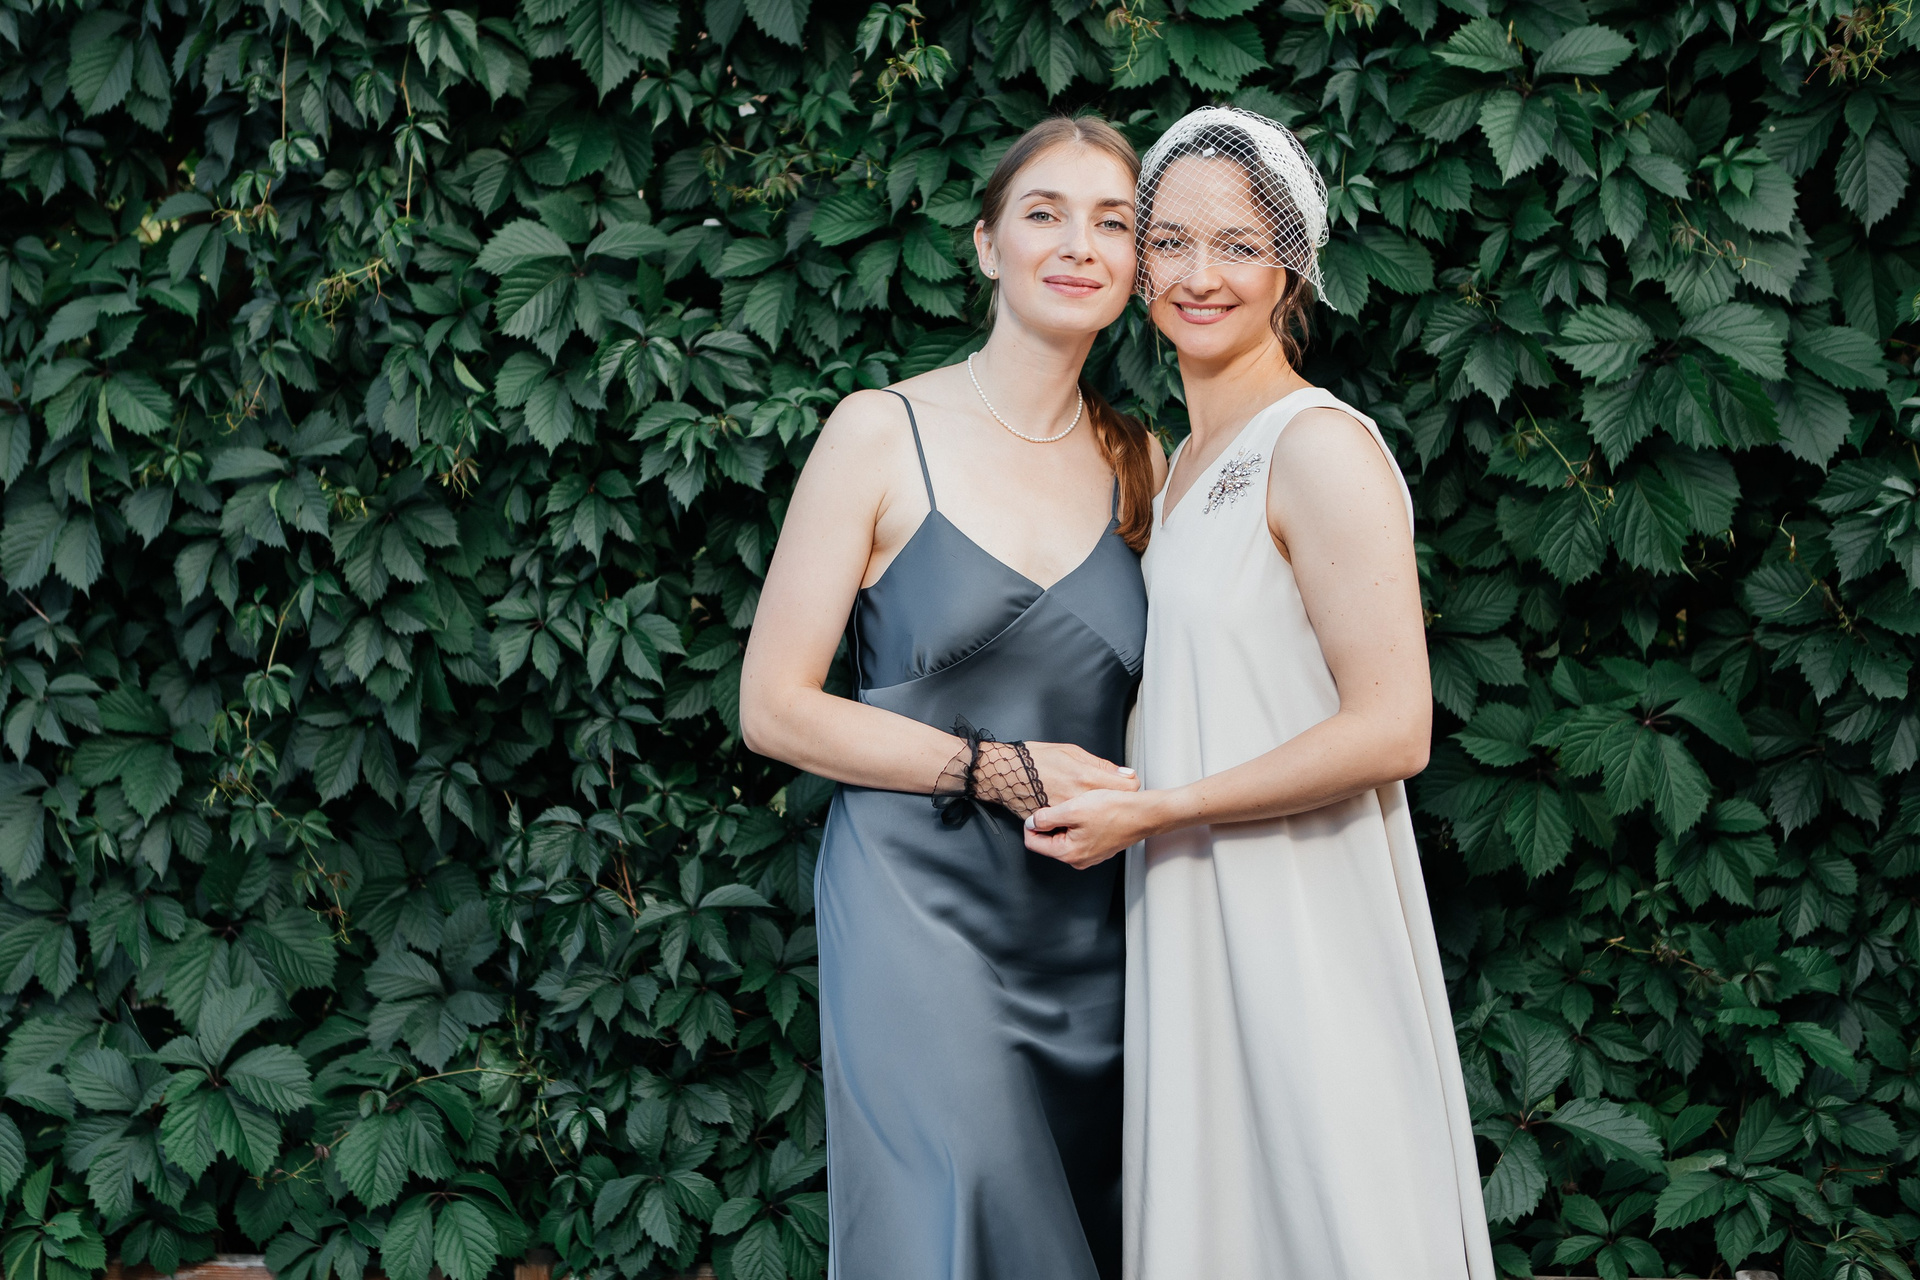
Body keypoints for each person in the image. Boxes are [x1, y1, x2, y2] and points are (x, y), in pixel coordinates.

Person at [1021, 106, 1497, 1280]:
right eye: (1170, 241)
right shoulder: (1176, 462)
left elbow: (1395, 727)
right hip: (1193, 903)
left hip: (1300, 909)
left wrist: (1161, 809)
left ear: (1292, 264)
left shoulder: (1318, 445)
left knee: (1329, 1213)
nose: (1198, 274)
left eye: (1237, 244)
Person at [738, 115, 1164, 1280]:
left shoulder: (1144, 463)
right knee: (959, 1211)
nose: (1078, 245)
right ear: (985, 243)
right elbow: (773, 706)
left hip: (1088, 919)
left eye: (1113, 222)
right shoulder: (879, 433)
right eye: (1045, 213)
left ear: (1136, 264)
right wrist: (993, 767)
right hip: (914, 899)